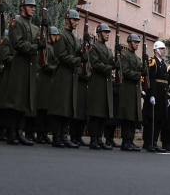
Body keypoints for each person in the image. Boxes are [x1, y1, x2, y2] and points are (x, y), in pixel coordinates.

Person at [0, 0, 41, 146]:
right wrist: (36, 47)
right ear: (22, 7)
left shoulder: (32, 26)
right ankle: (11, 133)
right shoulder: (17, 23)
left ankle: (19, 131)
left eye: (34, 7)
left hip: (29, 68)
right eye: (30, 6)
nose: (32, 9)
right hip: (18, 67)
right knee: (14, 102)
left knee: (23, 101)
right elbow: (18, 44)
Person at [48, 10, 84, 149]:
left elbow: (77, 52)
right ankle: (57, 136)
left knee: (69, 106)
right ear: (67, 20)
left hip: (72, 76)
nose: (76, 22)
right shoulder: (60, 36)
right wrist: (78, 60)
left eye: (77, 20)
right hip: (62, 75)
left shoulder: (74, 38)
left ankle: (64, 135)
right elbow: (61, 56)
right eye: (74, 20)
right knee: (60, 107)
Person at [86, 23, 116, 151]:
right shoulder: (94, 47)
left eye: (108, 32)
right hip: (98, 83)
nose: (108, 34)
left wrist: (118, 55)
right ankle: (93, 139)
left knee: (104, 112)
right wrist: (110, 68)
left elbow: (113, 63)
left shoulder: (108, 50)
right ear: (99, 34)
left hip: (106, 83)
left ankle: (99, 138)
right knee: (96, 112)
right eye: (105, 32)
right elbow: (96, 65)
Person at [117, 34, 144, 152]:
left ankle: (130, 140)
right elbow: (126, 72)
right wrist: (139, 75)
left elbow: (141, 71)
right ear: (129, 43)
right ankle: (125, 141)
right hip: (128, 90)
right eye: (135, 42)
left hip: (135, 91)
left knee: (133, 116)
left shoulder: (137, 58)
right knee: (127, 116)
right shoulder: (126, 56)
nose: (137, 44)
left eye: (138, 42)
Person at [32, 26, 58, 144]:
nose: (55, 38)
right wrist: (57, 69)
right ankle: (39, 133)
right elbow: (44, 64)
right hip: (44, 80)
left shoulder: (54, 48)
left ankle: (44, 133)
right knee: (42, 108)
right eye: (53, 36)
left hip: (51, 80)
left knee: (48, 109)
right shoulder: (45, 47)